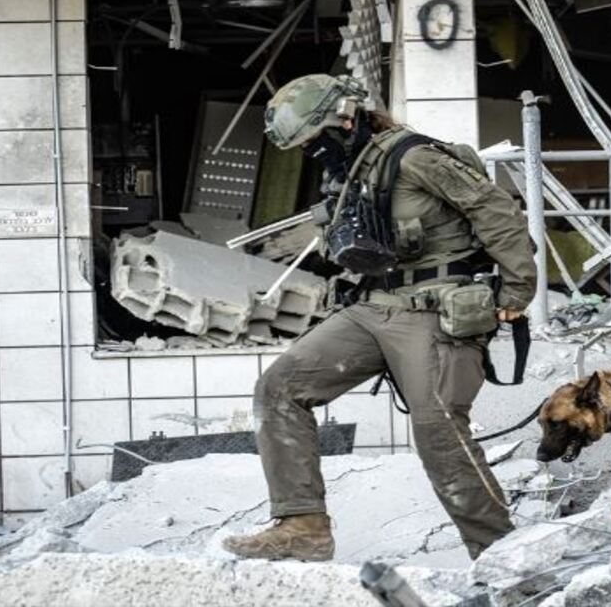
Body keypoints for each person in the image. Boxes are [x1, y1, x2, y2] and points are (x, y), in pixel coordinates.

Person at [223, 74, 536, 561]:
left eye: (313, 140)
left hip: (434, 307)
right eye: (303, 146)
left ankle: (502, 554)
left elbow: (494, 208)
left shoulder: (415, 156)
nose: (312, 152)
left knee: (439, 430)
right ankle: (303, 526)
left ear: (345, 119)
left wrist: (517, 288)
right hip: (372, 307)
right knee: (279, 388)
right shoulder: (348, 171)